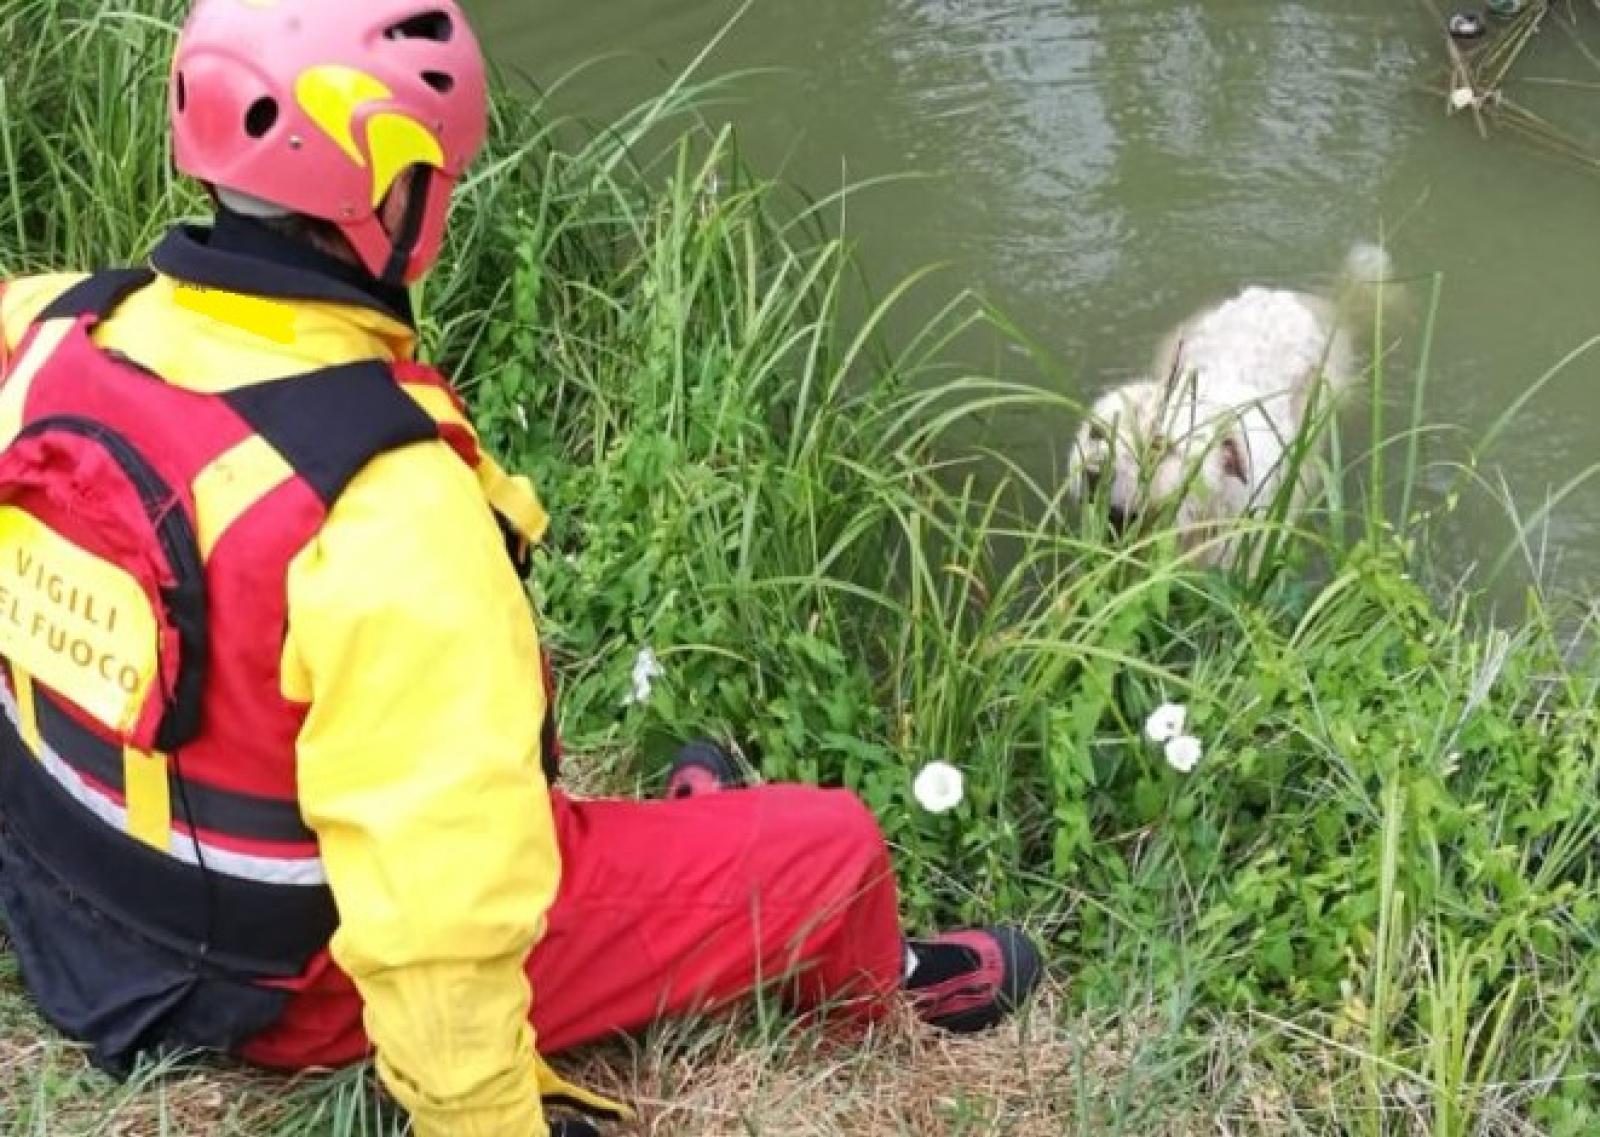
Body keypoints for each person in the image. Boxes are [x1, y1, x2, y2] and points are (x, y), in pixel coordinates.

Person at [0, 2, 1043, 1135]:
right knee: (832, 847)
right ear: (393, 193)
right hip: (280, 989)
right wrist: (489, 1115)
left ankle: (690, 852)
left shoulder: (50, 328)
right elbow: (435, 909)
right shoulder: (381, 506)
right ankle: (875, 985)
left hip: (75, 900)